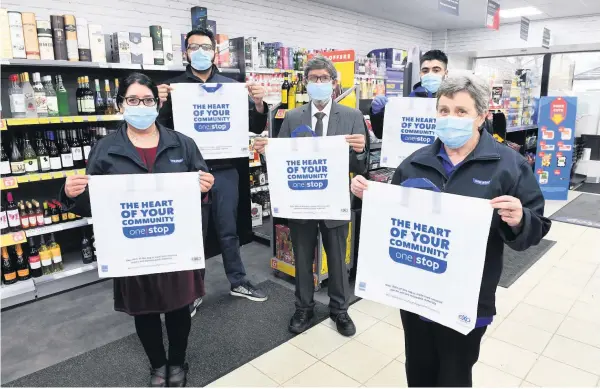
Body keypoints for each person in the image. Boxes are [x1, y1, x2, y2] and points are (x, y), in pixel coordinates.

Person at [350, 74, 551, 387]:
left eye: (461, 111)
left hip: (467, 299)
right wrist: (371, 197)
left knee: (455, 375)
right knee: (418, 368)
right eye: (444, 111)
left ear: (481, 116)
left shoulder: (508, 165)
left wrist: (519, 219)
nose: (450, 118)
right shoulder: (415, 163)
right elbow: (393, 219)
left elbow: (536, 228)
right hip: (417, 293)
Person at [61, 73, 215, 387]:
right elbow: (95, 204)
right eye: (133, 100)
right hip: (131, 248)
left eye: (147, 100)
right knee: (144, 311)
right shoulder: (105, 149)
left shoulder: (182, 144)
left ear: (157, 104)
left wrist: (204, 187)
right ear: (121, 105)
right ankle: (157, 364)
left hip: (174, 244)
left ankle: (177, 362)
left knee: (178, 308)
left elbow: (200, 189)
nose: (140, 106)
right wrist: (71, 195)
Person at [253, 56, 367, 336]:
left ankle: (340, 310)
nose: (319, 83)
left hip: (335, 202)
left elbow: (359, 167)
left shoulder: (351, 116)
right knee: (302, 257)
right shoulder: (292, 117)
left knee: (338, 259)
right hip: (300, 201)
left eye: (323, 78)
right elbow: (280, 163)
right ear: (306, 82)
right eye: (313, 78)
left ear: (333, 83)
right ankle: (303, 307)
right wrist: (267, 151)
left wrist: (361, 151)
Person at [157, 27, 269, 311]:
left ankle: (238, 281)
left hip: (225, 169)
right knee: (193, 232)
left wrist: (258, 103)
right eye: (194, 47)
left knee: (228, 229)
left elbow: (255, 127)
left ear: (214, 52)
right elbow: (157, 131)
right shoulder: (173, 88)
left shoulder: (231, 86)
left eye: (206, 47)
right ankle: (193, 291)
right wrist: (157, 103)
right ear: (185, 52)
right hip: (187, 172)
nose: (201, 53)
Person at [369, 49, 449, 139]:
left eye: (436, 70)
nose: (430, 74)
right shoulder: (410, 101)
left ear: (446, 73)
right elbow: (382, 133)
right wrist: (377, 113)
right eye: (425, 71)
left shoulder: (454, 101)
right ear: (420, 73)